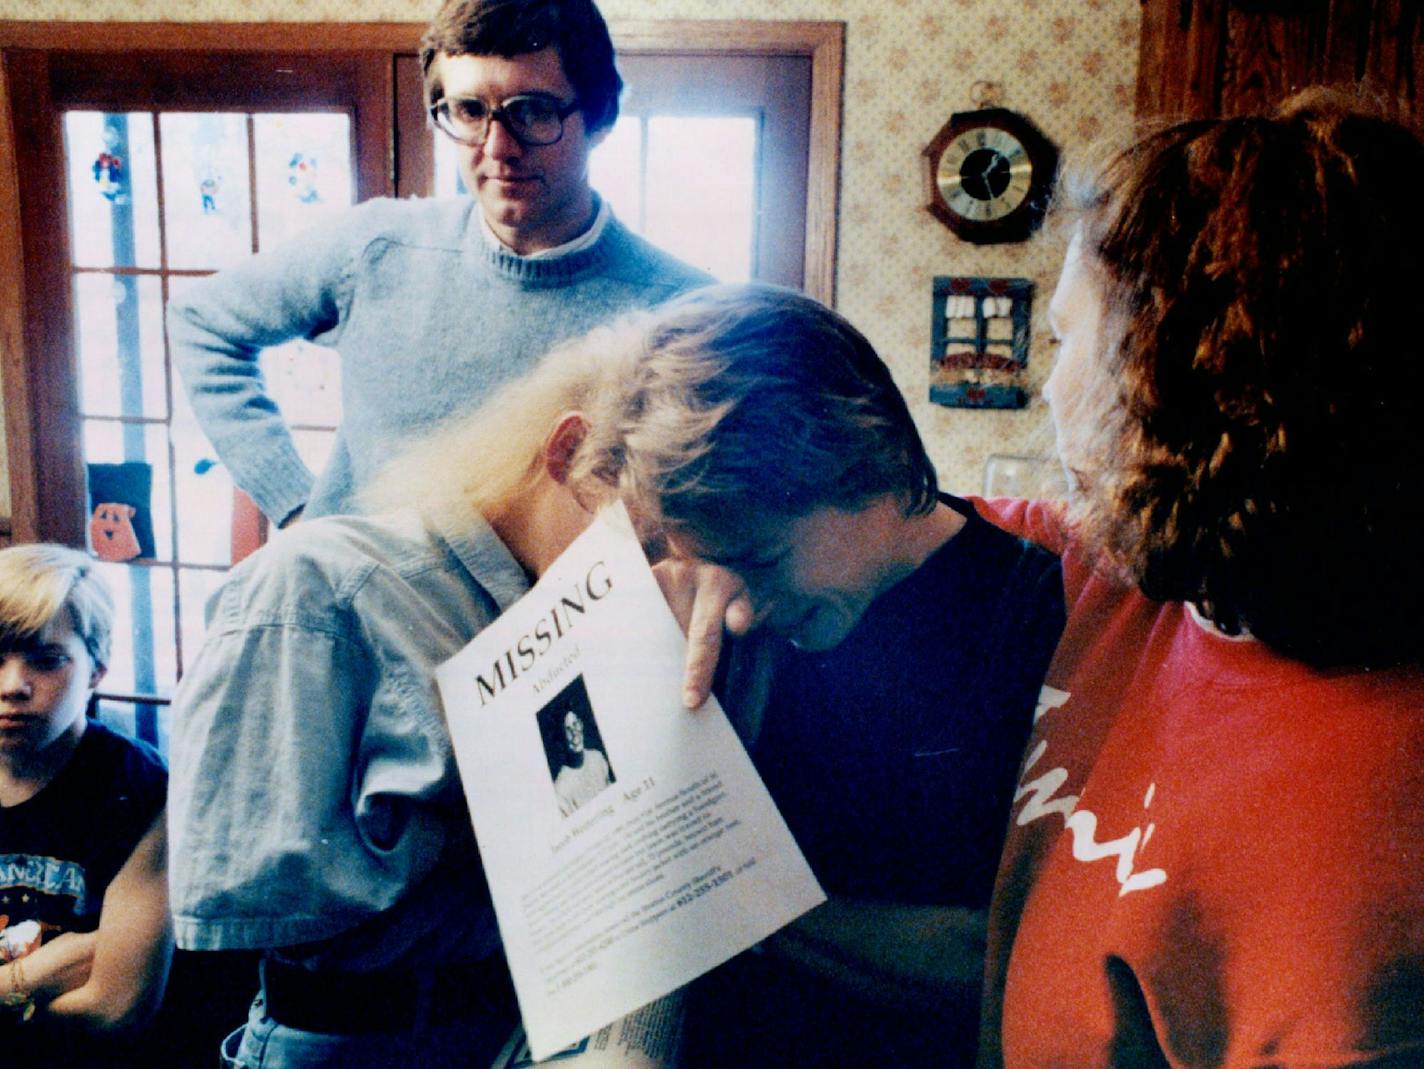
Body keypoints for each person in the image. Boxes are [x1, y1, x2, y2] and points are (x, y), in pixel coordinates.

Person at [168, 283, 976, 1068]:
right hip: (358, 1040)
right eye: (655, 542)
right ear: (563, 456)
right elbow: (242, 904)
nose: (672, 578)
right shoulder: (324, 589)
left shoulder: (690, 604)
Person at [974, 92, 1424, 1067]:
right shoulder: (1128, 579)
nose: (1048, 387)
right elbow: (873, 520)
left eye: (1065, 340)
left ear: (1191, 373)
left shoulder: (1355, 884)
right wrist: (704, 564)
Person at [168, 0, 709, 528]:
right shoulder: (376, 248)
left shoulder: (684, 311)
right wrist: (292, 501)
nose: (498, 147)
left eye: (533, 111)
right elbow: (200, 321)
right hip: (355, 612)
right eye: (470, 111)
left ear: (600, 117)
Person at [0, 545, 171, 1063]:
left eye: (47, 660)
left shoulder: (139, 787)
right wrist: (51, 968)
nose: (14, 686)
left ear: (97, 668)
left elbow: (115, 1008)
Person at [553, 708, 611, 816]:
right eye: (568, 730)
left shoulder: (597, 758)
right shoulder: (561, 789)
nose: (575, 733)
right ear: (561, 739)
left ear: (581, 724)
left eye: (575, 724)